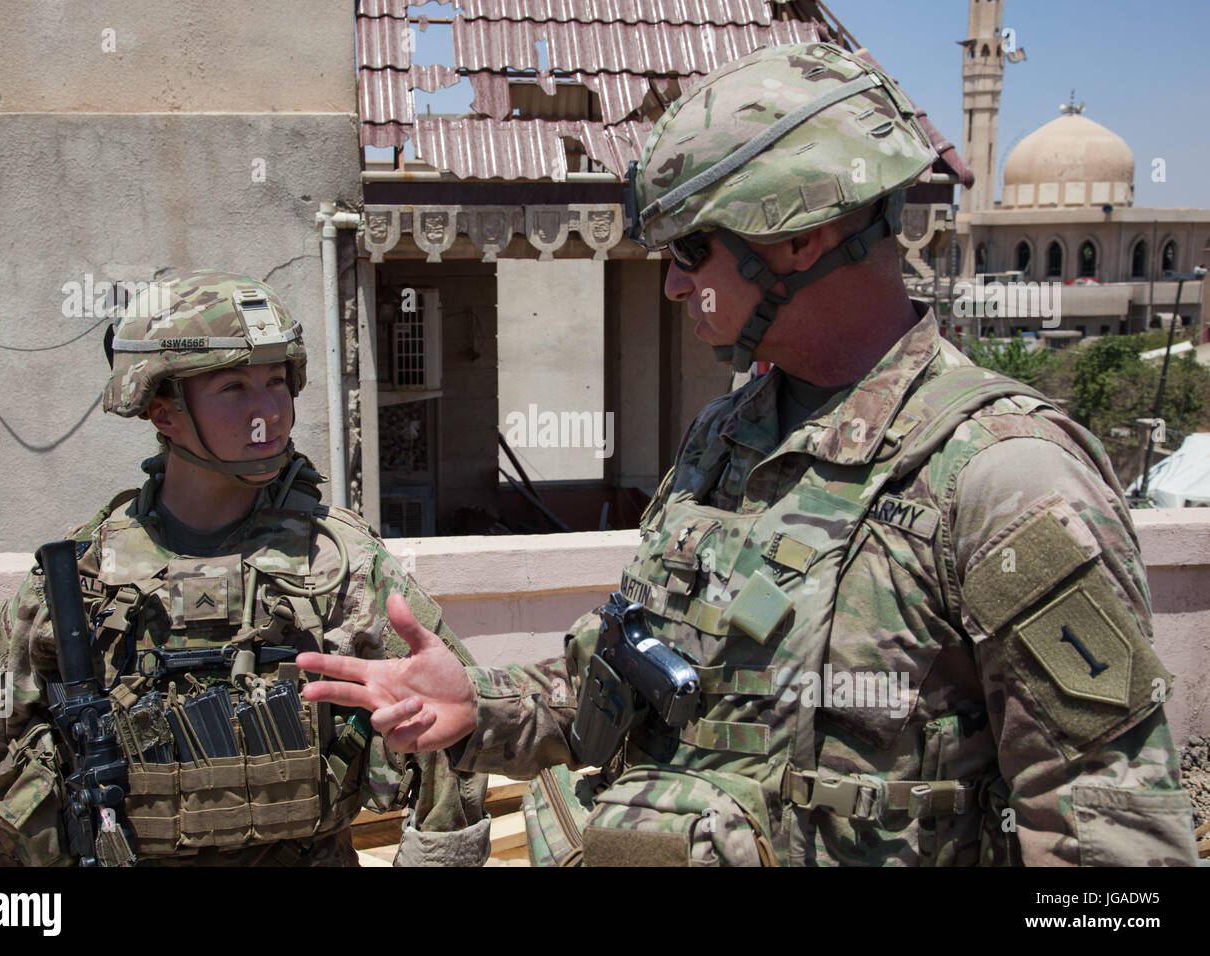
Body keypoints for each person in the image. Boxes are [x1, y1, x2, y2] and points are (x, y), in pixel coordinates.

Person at [297, 43, 1199, 866]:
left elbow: (1111, 839)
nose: (677, 280)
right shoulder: (726, 435)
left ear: (798, 235)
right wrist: (474, 707)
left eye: (694, 247)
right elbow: (627, 676)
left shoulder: (1005, 476)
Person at [0, 270, 489, 867]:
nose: (269, 412)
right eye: (233, 387)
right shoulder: (79, 577)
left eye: (278, 382)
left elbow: (447, 736)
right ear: (161, 409)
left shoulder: (339, 559)